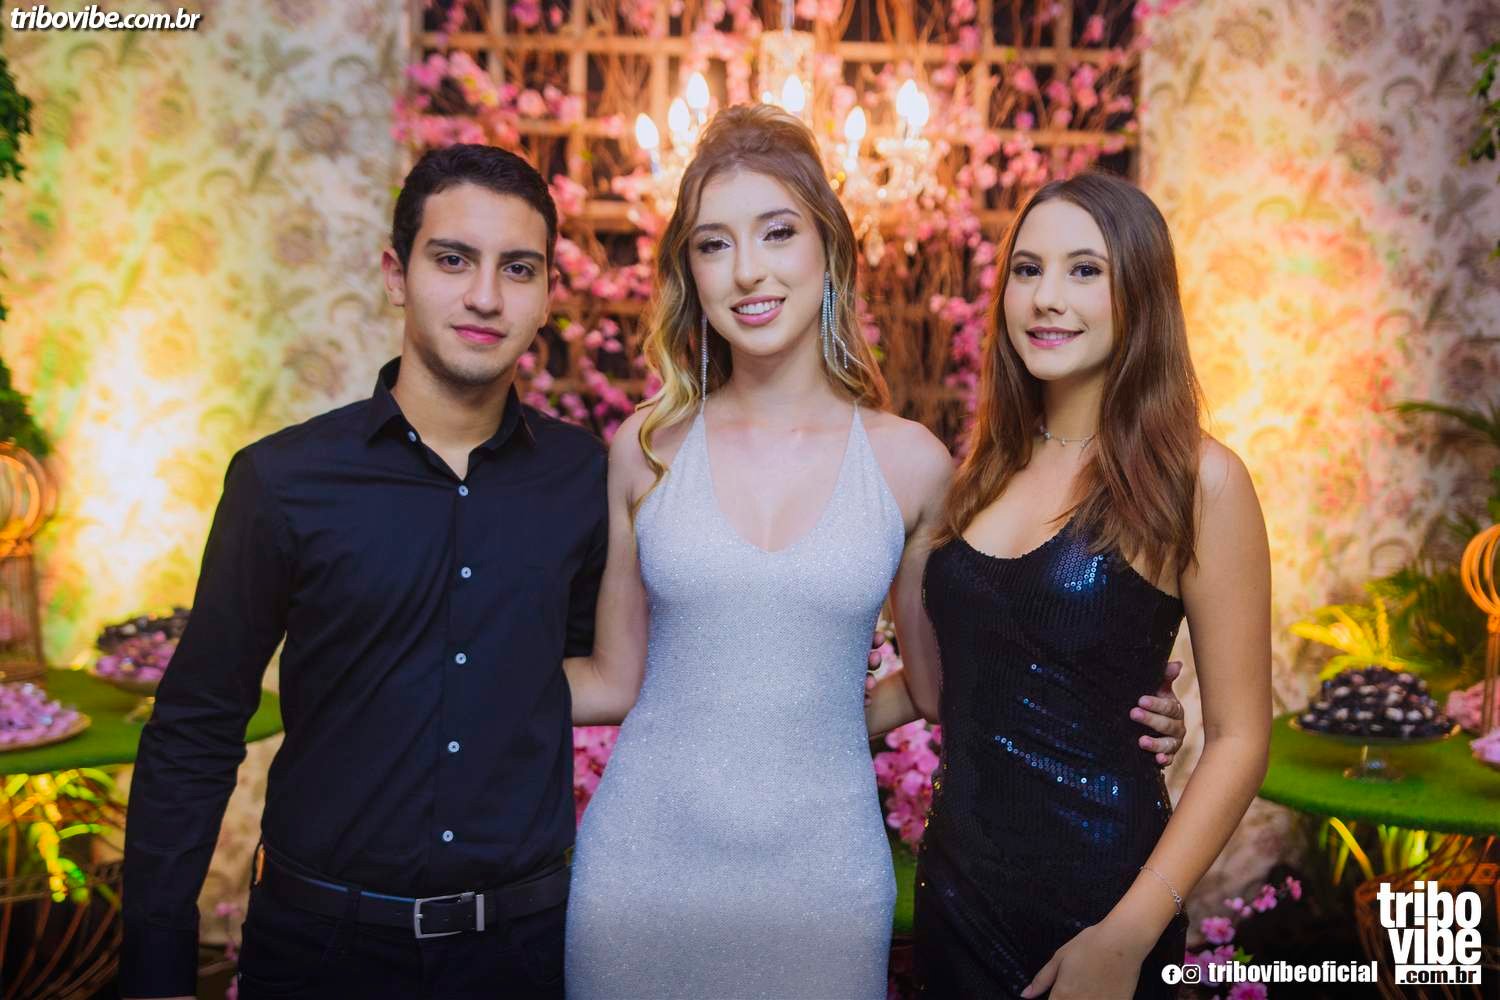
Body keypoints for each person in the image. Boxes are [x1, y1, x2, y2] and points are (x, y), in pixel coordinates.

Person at [559, 106, 1189, 1000]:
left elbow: (941, 683)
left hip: (822, 876)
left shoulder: (911, 463)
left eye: (778, 232)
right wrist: (437, 687)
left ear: (830, 249)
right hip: (640, 870)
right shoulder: (646, 448)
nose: (747, 270)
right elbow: (614, 679)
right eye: (712, 245)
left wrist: (1113, 696)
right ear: (688, 272)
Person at [121, 145, 602, 1000]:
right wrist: (155, 973)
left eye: (517, 268)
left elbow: (581, 669)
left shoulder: (584, 480)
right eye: (452, 259)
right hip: (319, 953)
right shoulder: (282, 480)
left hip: (520, 955)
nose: (485, 295)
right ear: (395, 275)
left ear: (545, 296)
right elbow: (196, 725)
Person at [903, 172, 1273, 999]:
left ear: (1139, 291)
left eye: (1084, 270)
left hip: (1101, 909)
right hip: (954, 896)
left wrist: (1127, 937)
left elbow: (1242, 739)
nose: (1047, 297)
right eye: (1027, 270)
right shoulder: (984, 467)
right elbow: (963, 676)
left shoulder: (1200, 481)